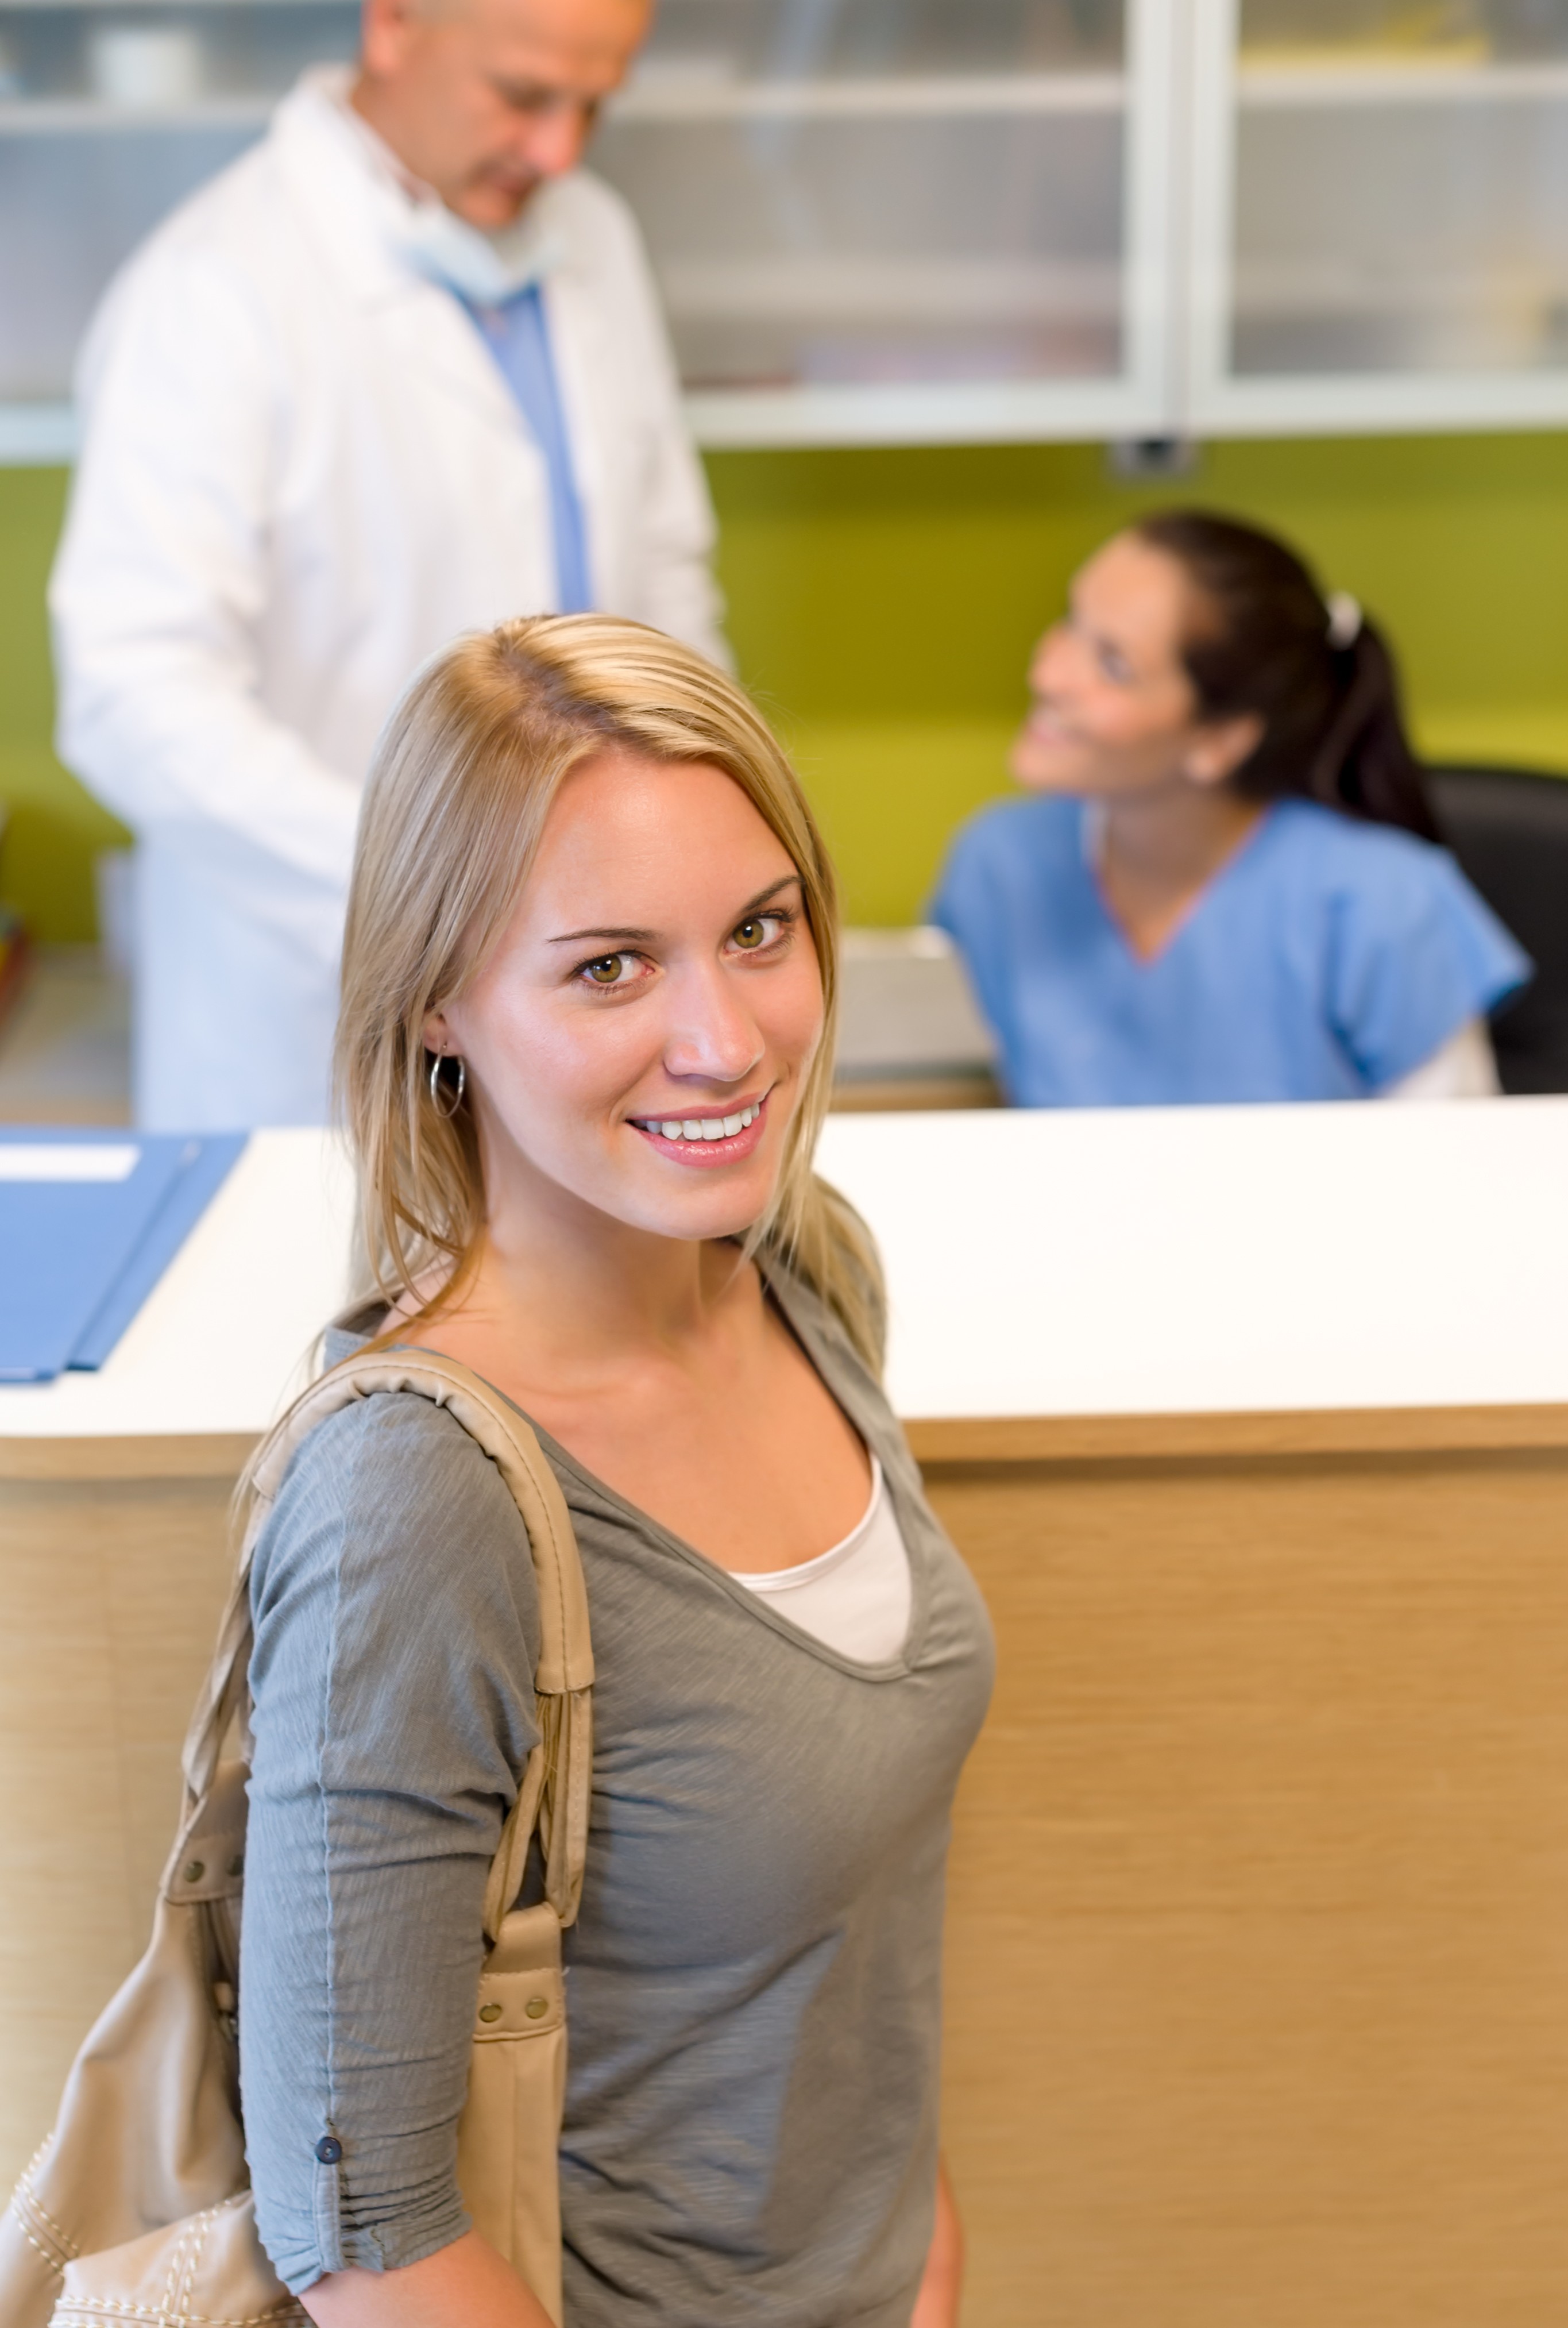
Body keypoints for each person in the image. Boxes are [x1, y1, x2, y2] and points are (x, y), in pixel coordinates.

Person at [240, 614, 994, 2327]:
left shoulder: (803, 1270)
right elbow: (362, 2232)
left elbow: (849, 1937)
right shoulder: (411, 1499)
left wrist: (923, 2261)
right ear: (438, 1004)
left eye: (757, 929)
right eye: (607, 967)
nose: (726, 1045)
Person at [49, 0, 727, 1134]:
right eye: (521, 96)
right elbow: (134, 692)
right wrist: (434, 891)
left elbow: (663, 574)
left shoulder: (591, 237)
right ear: (396, 23)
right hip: (317, 1016)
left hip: (597, 979)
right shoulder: (215, 288)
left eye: (594, 104)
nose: (558, 151)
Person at [929, 511, 1530, 1108]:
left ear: (1221, 739)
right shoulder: (998, 863)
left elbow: (1455, 1169)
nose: (1048, 673)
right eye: (1070, 621)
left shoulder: (1377, 900)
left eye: (1113, 665)